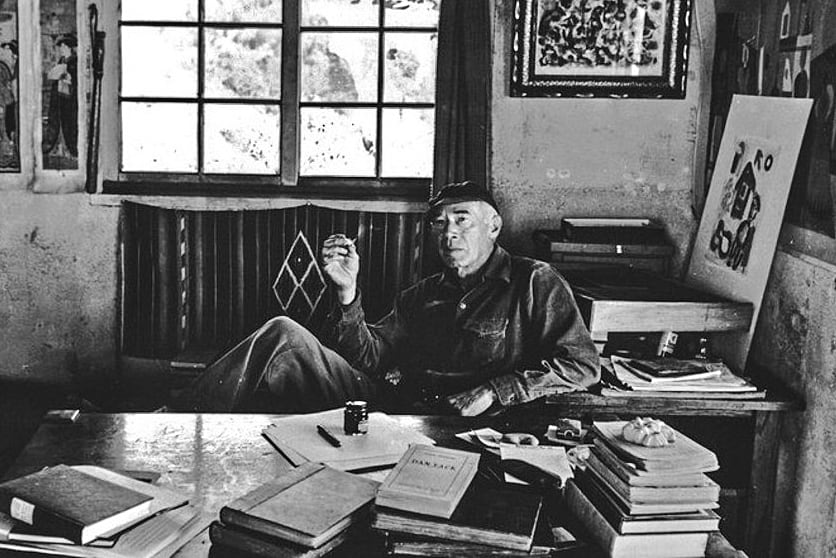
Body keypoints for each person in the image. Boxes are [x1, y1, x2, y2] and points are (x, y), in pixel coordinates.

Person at [178, 181, 599, 416]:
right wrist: (347, 293)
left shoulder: (534, 281)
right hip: (394, 410)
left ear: (493, 227)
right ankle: (179, 426)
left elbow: (582, 366)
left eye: (462, 220)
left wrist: (495, 390)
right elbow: (370, 358)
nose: (449, 233)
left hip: (469, 426)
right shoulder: (422, 294)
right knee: (282, 333)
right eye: (439, 224)